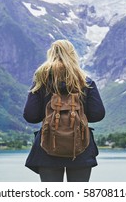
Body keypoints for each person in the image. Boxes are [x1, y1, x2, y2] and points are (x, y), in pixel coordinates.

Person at [23, 39, 105, 182]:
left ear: (51, 55)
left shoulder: (41, 80)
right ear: (73, 55)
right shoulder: (85, 82)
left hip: (47, 144)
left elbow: (31, 116)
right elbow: (98, 114)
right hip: (81, 146)